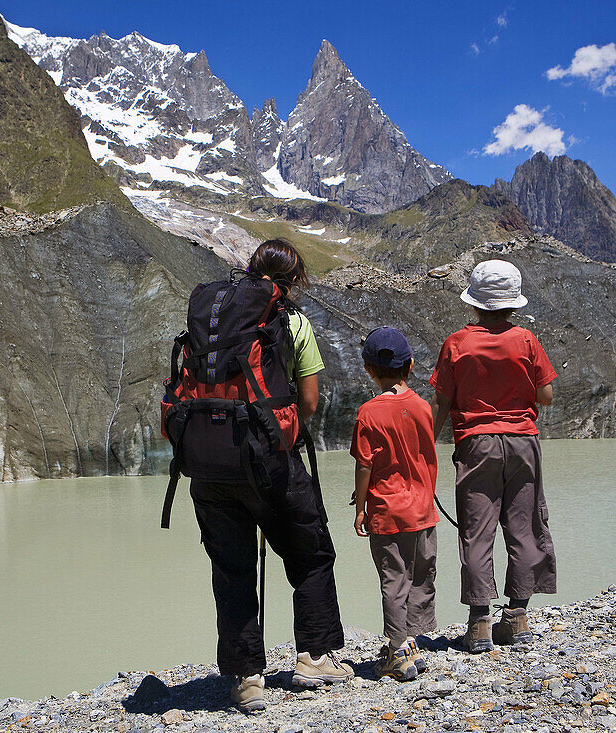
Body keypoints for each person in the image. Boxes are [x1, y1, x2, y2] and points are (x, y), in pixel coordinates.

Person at [188, 239, 352, 713]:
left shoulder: (212, 319)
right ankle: (313, 658)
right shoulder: (291, 323)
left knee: (232, 569)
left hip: (210, 464)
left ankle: (246, 679)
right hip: (269, 461)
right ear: (293, 278)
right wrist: (281, 434)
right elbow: (310, 401)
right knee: (312, 552)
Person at [429, 259, 558, 654]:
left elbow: (441, 401)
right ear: (512, 303)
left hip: (476, 444)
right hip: (522, 443)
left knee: (477, 531)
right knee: (524, 526)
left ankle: (480, 623)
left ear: (475, 303)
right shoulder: (526, 341)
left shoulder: (456, 344)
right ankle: (517, 618)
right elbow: (546, 395)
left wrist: (426, 448)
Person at [350, 327, 439, 681]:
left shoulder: (368, 413)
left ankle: (397, 650)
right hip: (423, 509)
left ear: (369, 370)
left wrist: (360, 507)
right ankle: (414, 642)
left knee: (393, 578)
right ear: (411, 365)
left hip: (387, 512)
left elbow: (364, 464)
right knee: (420, 575)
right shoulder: (422, 407)